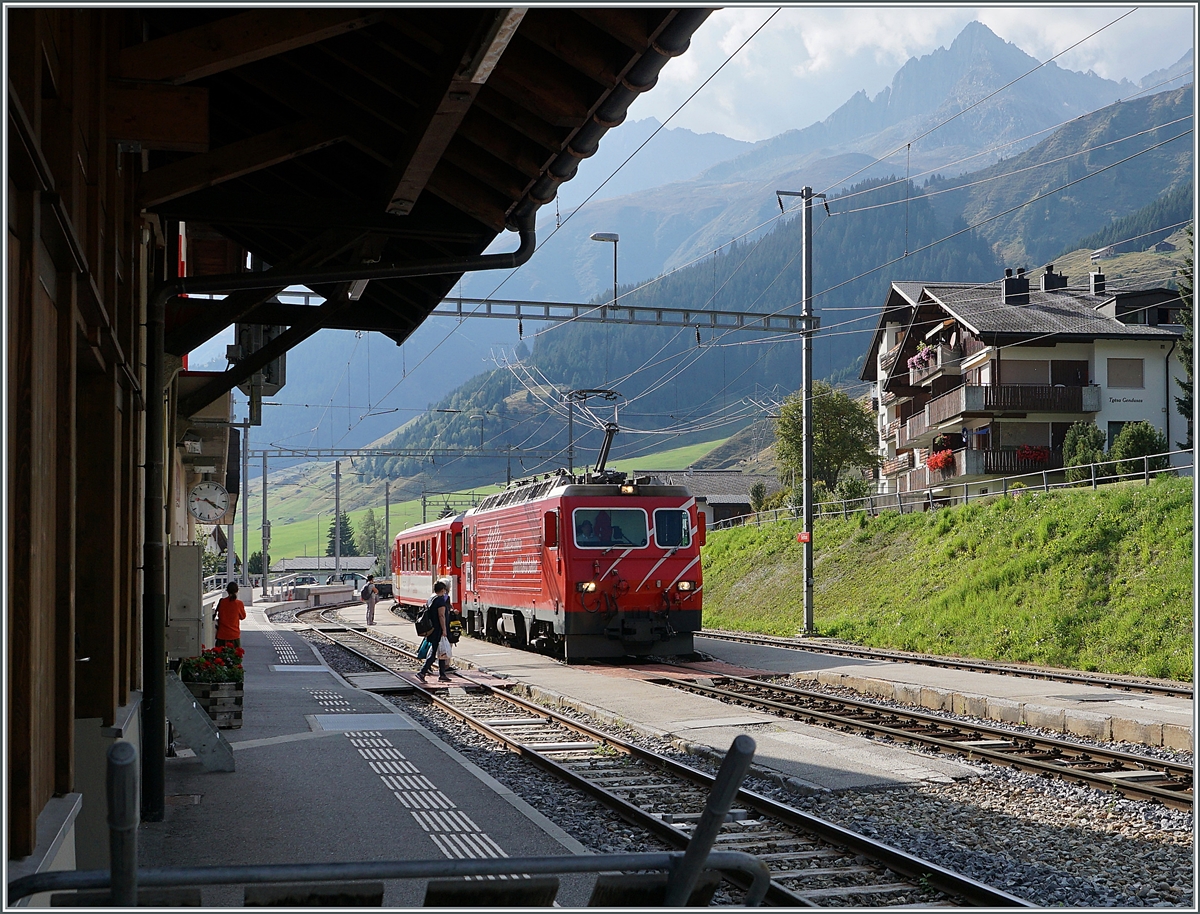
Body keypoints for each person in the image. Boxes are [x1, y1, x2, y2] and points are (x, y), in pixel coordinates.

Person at [417, 581, 454, 683]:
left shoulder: (431, 599)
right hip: (438, 629)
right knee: (434, 652)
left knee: (441, 652)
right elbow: (441, 615)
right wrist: (444, 630)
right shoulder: (440, 601)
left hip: (432, 628)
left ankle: (442, 674)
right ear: (443, 590)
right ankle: (422, 672)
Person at [215, 581, 247, 650]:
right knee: (235, 657)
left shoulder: (222, 602)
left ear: (227, 591)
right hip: (234, 635)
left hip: (222, 635)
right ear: (237, 591)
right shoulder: (239, 603)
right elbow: (243, 617)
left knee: (221, 658)